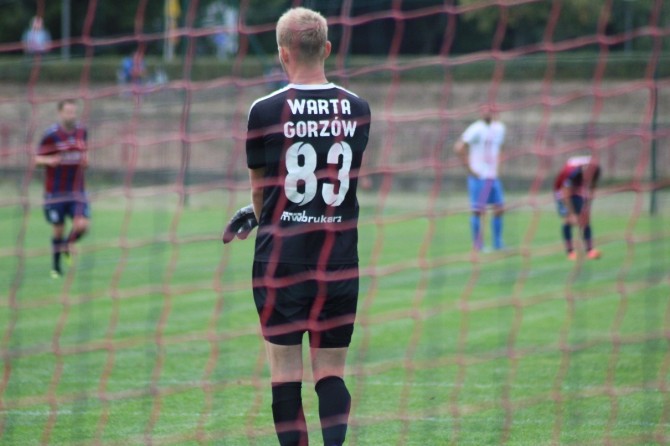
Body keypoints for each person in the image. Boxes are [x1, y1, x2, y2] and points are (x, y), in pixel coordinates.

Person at [226, 7, 371, 445]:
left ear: (282, 53)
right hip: (337, 258)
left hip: (281, 258)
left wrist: (257, 213)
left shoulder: (265, 108)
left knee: (285, 373)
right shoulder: (358, 108)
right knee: (330, 371)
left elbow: (261, 192)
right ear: (327, 48)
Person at [34, 99, 90, 278]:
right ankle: (56, 268)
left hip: (77, 190)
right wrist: (49, 160)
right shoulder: (51, 135)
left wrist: (85, 161)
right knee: (58, 228)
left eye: (73, 112)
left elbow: (84, 154)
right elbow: (37, 159)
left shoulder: (82, 132)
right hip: (55, 191)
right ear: (60, 113)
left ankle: (67, 245)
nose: (71, 115)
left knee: (82, 225)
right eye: (67, 112)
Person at [453, 105, 506, 251]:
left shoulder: (500, 128)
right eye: (483, 110)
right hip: (478, 176)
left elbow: (500, 148)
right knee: (478, 210)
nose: (486, 112)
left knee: (499, 208)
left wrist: (499, 167)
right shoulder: (476, 128)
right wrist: (469, 169)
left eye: (489, 110)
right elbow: (459, 147)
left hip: (493, 177)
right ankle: (478, 244)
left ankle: (498, 243)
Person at [553, 155, 601, 260]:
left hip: (577, 191)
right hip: (561, 191)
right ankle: (570, 252)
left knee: (585, 220)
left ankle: (590, 250)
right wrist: (572, 213)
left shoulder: (596, 170)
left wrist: (587, 206)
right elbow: (565, 192)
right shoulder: (573, 173)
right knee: (569, 221)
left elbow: (592, 187)